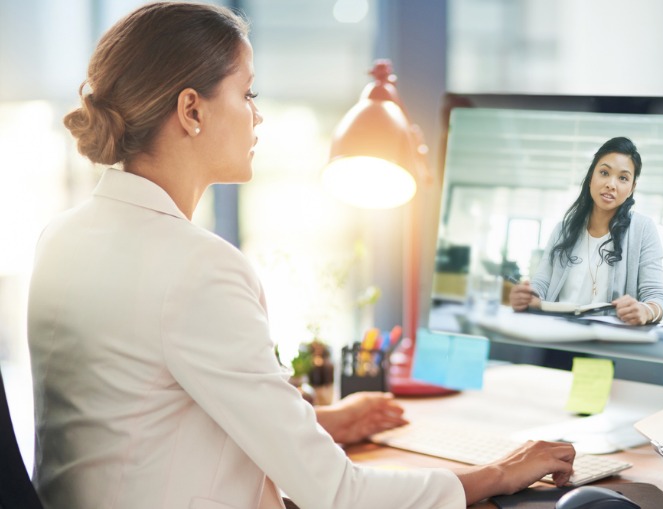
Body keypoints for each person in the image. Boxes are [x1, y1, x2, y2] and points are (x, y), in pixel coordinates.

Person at [27, 3, 574, 509]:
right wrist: (500, 472)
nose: (256, 117)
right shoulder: (196, 268)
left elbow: (144, 416)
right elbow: (338, 494)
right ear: (191, 110)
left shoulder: (63, 238)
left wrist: (320, 424)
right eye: (248, 95)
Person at [508, 137, 663, 325]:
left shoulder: (643, 230)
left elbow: (658, 299)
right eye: (604, 172)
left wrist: (645, 310)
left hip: (608, 341)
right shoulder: (563, 230)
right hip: (555, 335)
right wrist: (526, 297)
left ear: (632, 188)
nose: (611, 184)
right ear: (591, 177)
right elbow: (541, 285)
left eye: (623, 178)